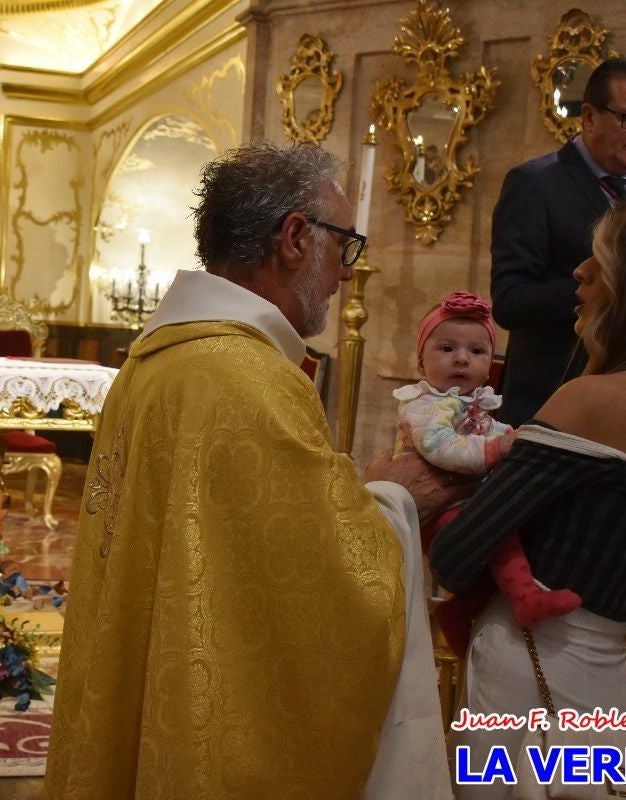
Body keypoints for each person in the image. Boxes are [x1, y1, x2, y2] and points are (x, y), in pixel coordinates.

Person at [45, 143, 456, 800]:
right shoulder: (250, 380)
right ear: (295, 236)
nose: (346, 274)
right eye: (344, 245)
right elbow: (327, 589)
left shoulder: (156, 363)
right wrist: (393, 503)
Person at [429, 197, 626, 799]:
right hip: (601, 675)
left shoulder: (594, 400)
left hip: (530, 675)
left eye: (601, 259)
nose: (579, 273)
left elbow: (458, 554)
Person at [394, 291, 578, 654]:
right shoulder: (425, 406)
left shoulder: (475, 407)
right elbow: (442, 448)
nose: (462, 358)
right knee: (495, 533)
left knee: (504, 533)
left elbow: (494, 434)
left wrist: (514, 439)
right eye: (446, 349)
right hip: (433, 511)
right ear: (420, 362)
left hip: (461, 504)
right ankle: (526, 598)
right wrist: (496, 450)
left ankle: (459, 611)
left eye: (476, 352)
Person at [491, 57, 626, 426]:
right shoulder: (535, 184)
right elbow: (511, 302)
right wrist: (610, 284)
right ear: (589, 116)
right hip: (551, 399)